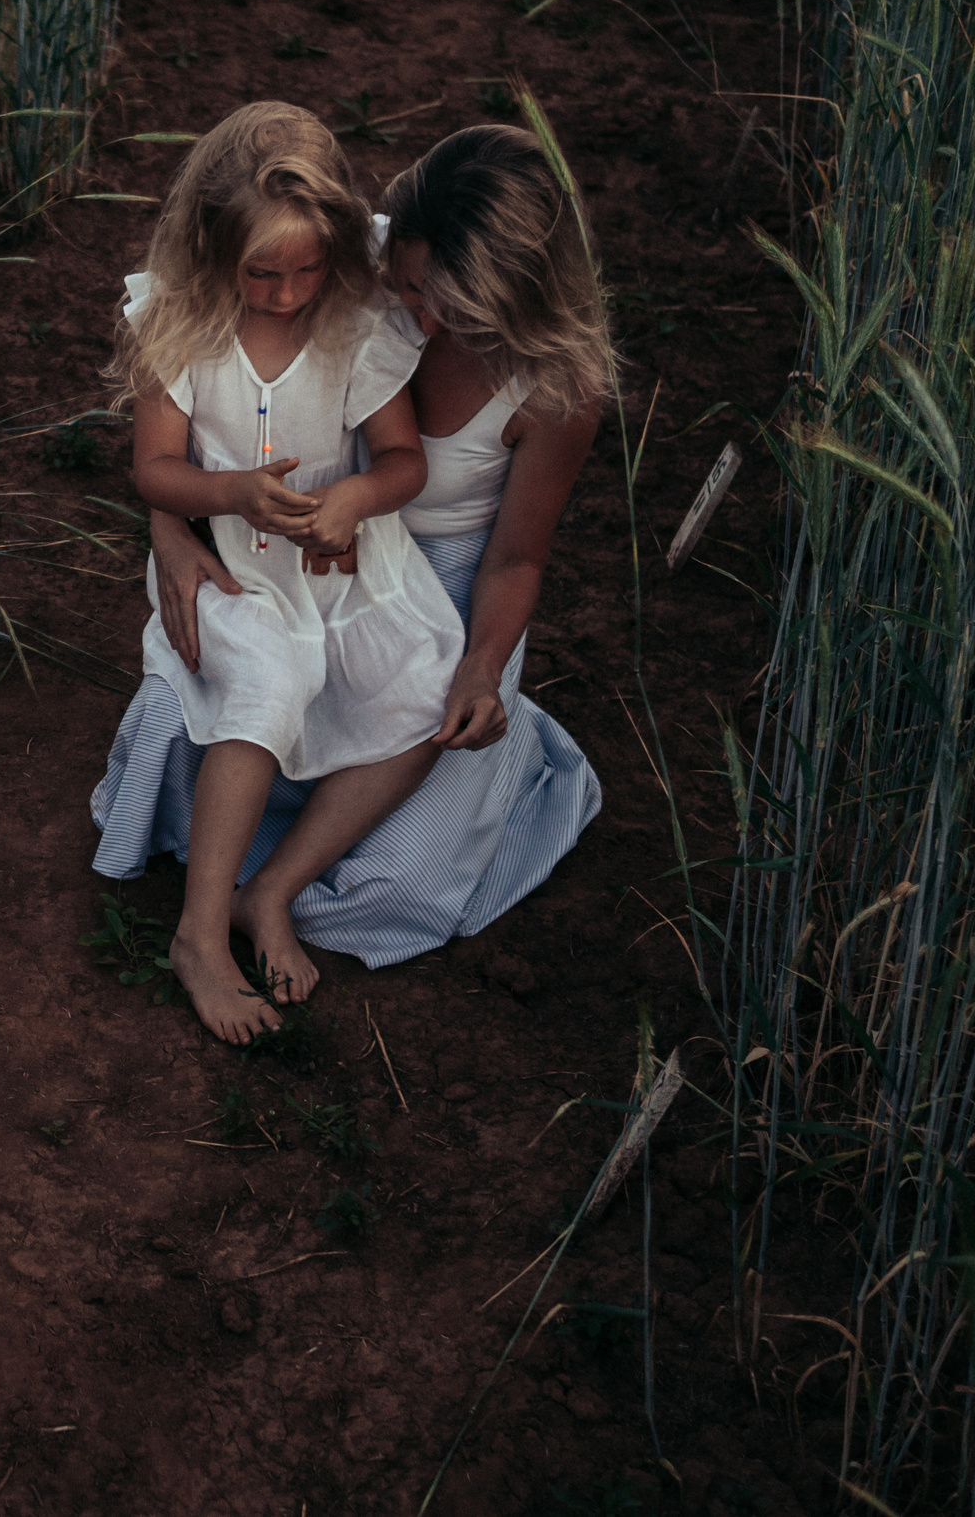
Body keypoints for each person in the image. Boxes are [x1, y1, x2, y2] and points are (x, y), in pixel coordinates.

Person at [93, 122, 609, 982]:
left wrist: (481, 666)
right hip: (273, 556)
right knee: (241, 715)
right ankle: (213, 908)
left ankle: (273, 891)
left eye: (463, 311)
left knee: (390, 874)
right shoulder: (337, 257)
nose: (426, 322)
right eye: (411, 288)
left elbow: (515, 560)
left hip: (435, 580)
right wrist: (172, 530)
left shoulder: (559, 389)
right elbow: (194, 423)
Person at [104, 102, 463, 1044]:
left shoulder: (352, 323)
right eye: (261, 272)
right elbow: (153, 469)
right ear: (211, 252)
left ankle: (273, 890)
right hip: (234, 565)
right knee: (270, 680)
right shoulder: (176, 325)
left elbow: (401, 461)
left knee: (425, 683)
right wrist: (229, 493)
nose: (286, 292)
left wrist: (351, 502)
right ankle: (196, 936)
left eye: (307, 269)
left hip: (340, 559)